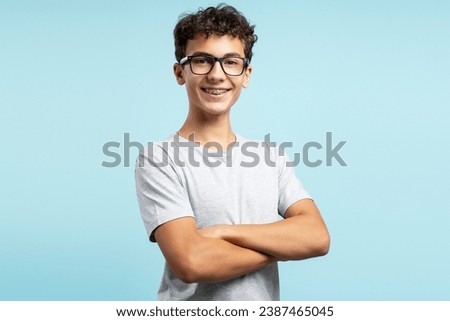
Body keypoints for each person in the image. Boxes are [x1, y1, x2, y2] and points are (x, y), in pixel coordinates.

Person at [135, 4, 330, 301]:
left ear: (246, 74)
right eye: (202, 61)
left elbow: (317, 237)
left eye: (231, 62)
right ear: (179, 72)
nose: (217, 74)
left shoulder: (270, 157)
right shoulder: (158, 159)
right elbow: (191, 262)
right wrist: (282, 247)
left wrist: (223, 233)